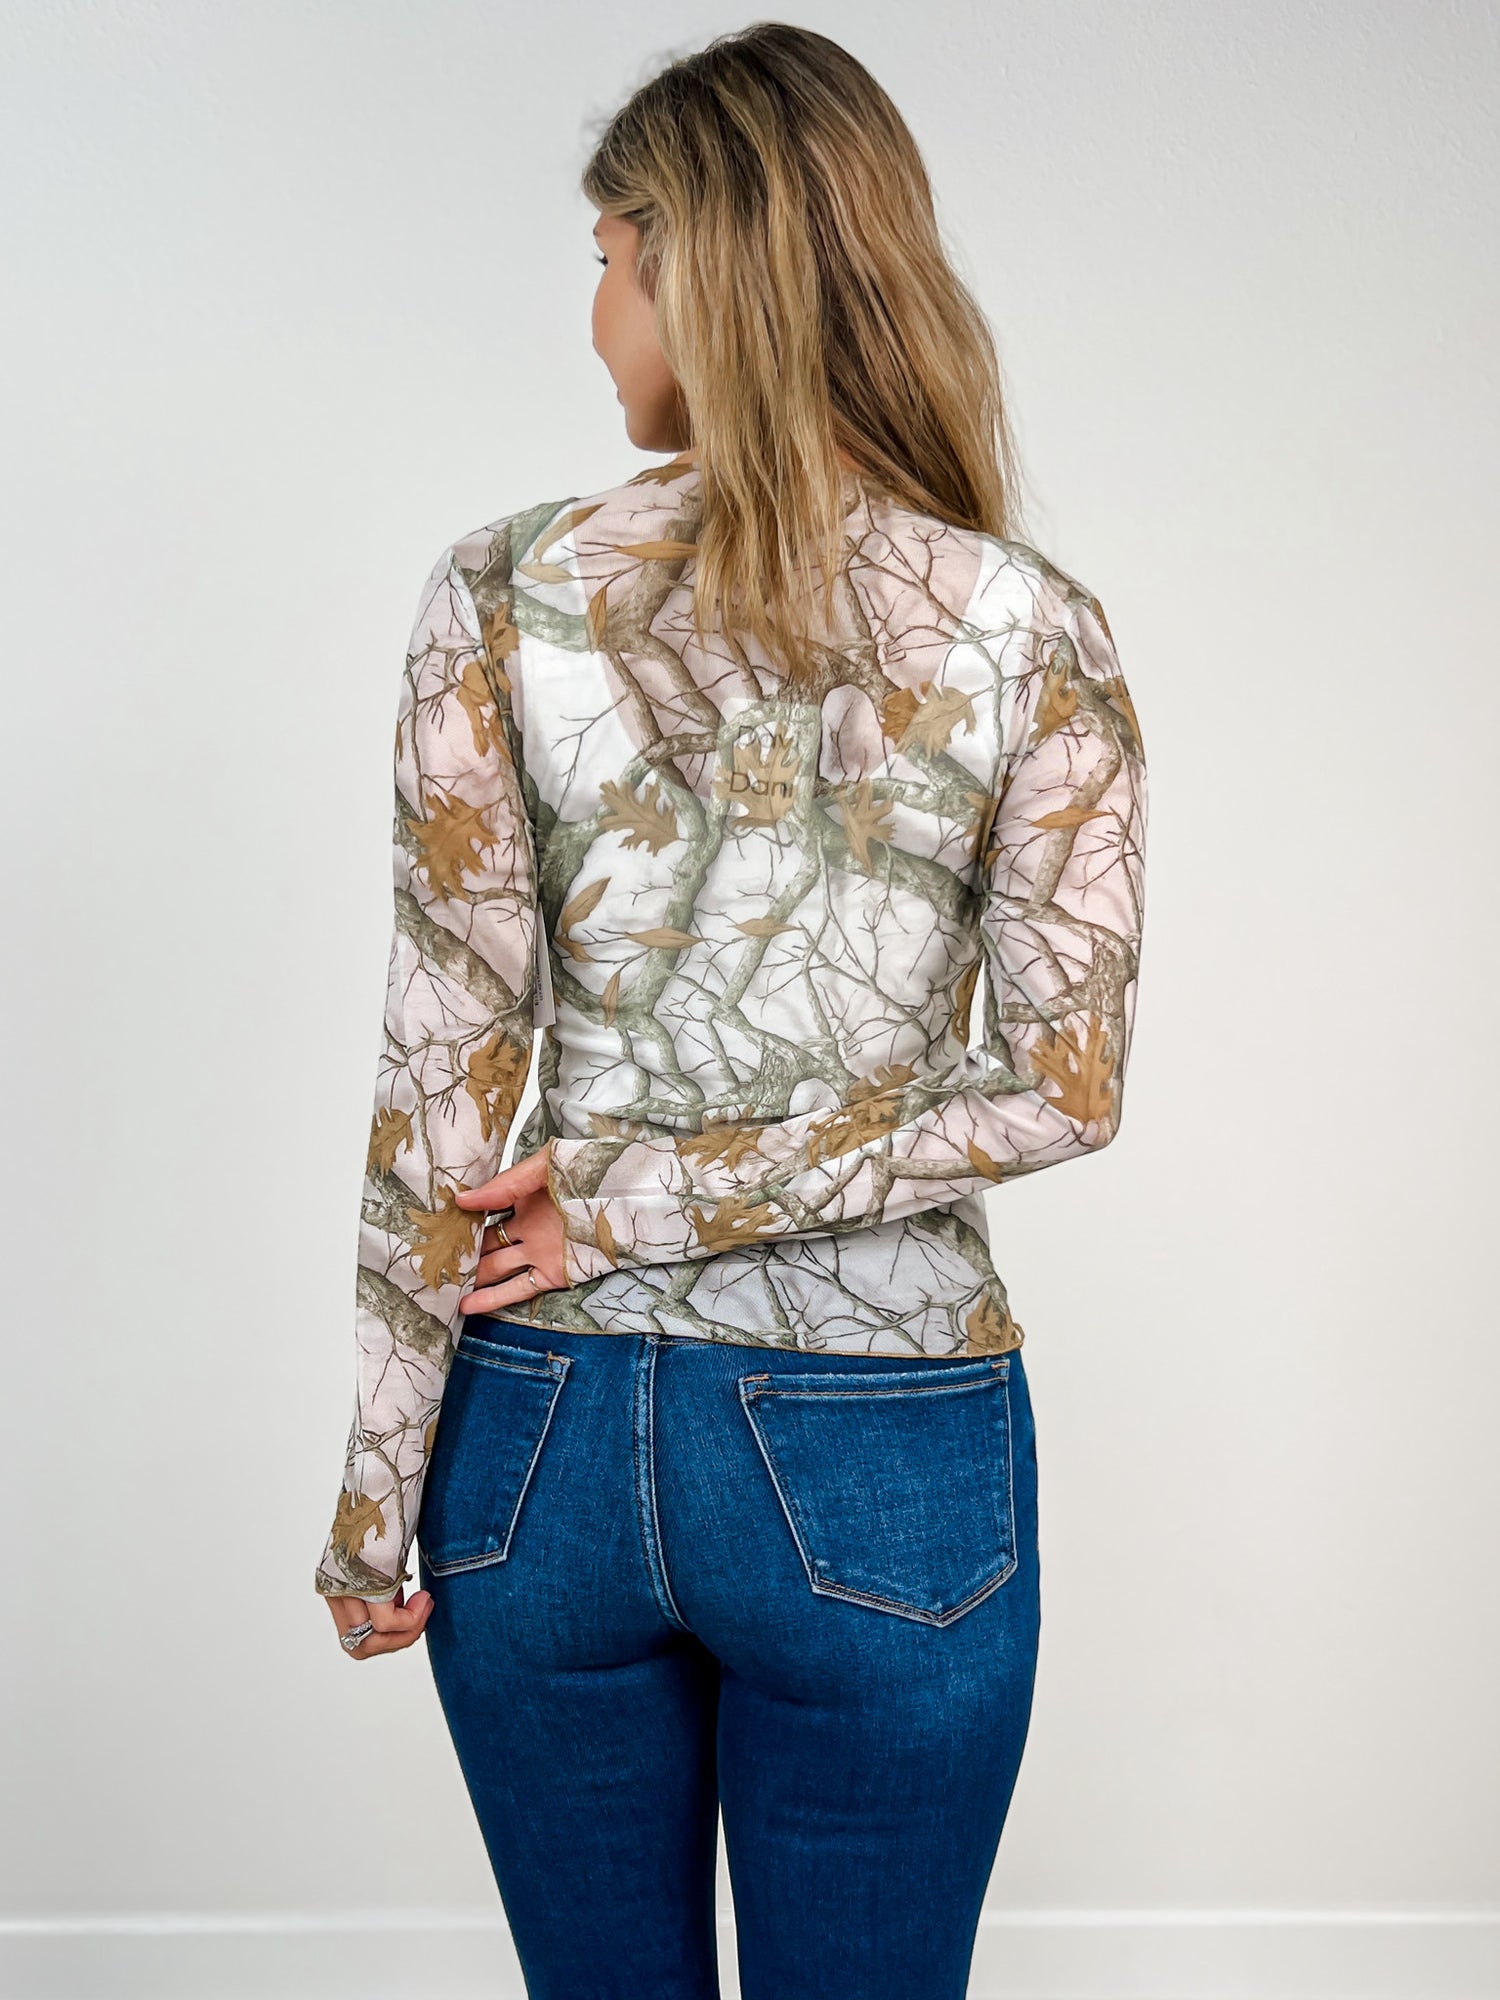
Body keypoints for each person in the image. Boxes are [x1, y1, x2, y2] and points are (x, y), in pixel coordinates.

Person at [315, 22, 1147, 1999]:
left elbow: (441, 1071)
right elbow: (1065, 1086)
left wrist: (374, 1486)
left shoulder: (497, 593)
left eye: (611, 254)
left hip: (539, 1435)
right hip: (881, 1448)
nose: (595, 309)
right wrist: (665, 1202)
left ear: (698, 268)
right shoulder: (1029, 628)